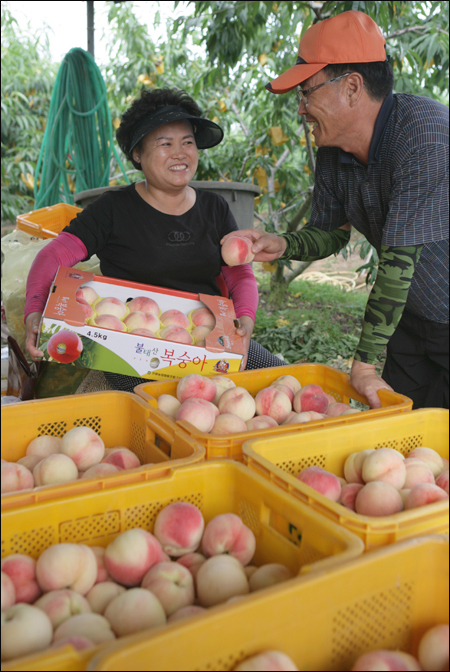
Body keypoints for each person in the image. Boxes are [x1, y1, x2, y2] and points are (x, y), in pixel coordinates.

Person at [222, 10, 449, 410]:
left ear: (352, 87)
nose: (300, 109)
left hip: (434, 305)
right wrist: (281, 242)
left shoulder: (425, 133)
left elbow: (398, 263)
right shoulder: (333, 151)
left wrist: (362, 364)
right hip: (410, 319)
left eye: (306, 92)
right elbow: (330, 232)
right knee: (406, 441)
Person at [24, 88, 285, 392]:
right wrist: (35, 311)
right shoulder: (113, 210)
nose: (180, 153)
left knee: (282, 380)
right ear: (137, 153)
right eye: (165, 143)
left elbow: (239, 275)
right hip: (132, 349)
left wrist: (245, 319)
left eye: (188, 142)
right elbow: (51, 257)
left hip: (208, 344)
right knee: (158, 409)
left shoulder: (215, 209)